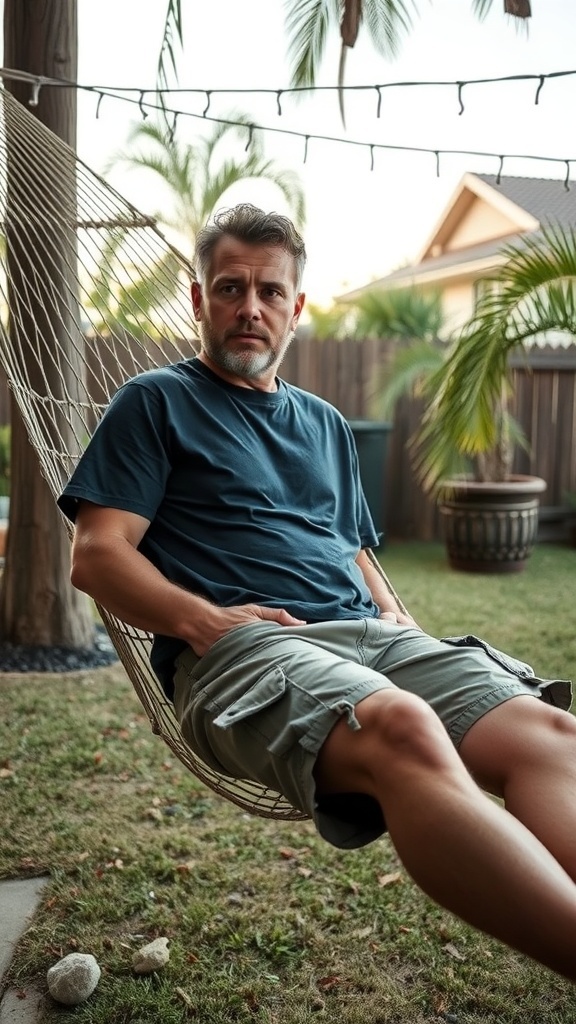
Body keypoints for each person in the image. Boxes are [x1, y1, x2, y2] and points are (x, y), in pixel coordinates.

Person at [58, 203, 576, 984]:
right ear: (199, 299)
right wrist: (206, 622)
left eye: (270, 292)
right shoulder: (155, 403)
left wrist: (399, 616)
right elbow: (97, 556)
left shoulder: (326, 425)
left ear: (297, 308)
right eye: (229, 288)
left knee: (549, 732)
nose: (250, 307)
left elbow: (353, 546)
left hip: (370, 638)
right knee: (401, 725)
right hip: (243, 652)